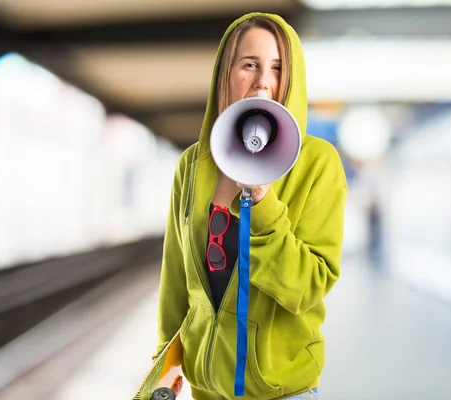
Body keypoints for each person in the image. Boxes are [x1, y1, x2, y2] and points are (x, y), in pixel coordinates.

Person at [154, 12, 348, 399]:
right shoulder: (193, 166)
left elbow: (307, 286)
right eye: (249, 65)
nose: (263, 81)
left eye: (277, 67)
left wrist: (262, 201)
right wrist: (164, 365)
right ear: (225, 74)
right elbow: (176, 282)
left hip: (278, 390)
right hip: (205, 390)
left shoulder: (317, 164)